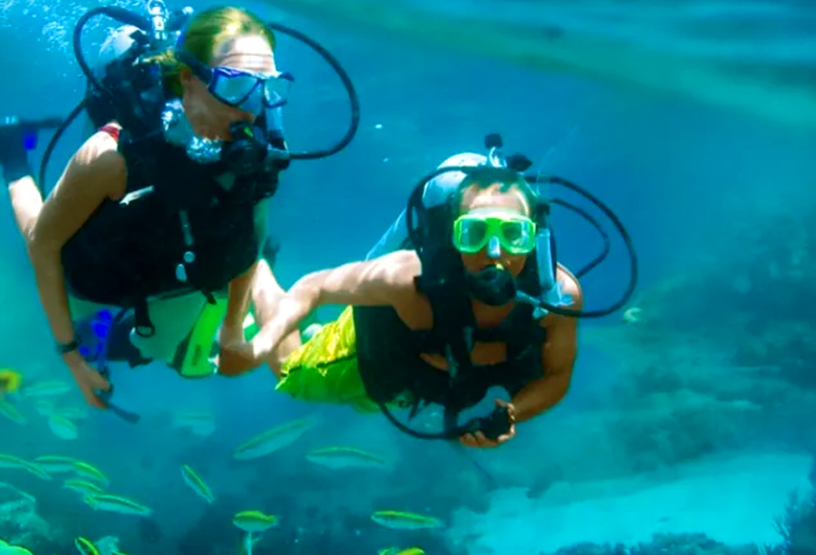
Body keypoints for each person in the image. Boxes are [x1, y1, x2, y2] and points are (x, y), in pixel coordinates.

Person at [0, 3, 301, 411]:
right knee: (38, 234)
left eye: (269, 87)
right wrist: (71, 356)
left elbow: (251, 240)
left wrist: (233, 330)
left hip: (163, 264)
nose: (254, 109)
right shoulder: (110, 155)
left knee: (158, 351)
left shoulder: (259, 154)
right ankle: (10, 151)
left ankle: (114, 331)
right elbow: (44, 247)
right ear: (188, 79)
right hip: (100, 262)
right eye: (238, 87)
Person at [235, 142, 608, 449]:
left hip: (418, 380)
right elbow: (314, 287)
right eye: (474, 233)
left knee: (368, 403)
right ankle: (255, 266)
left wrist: (512, 414)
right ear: (452, 235)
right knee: (292, 374)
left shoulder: (557, 297)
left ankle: (312, 327)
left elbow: (558, 374)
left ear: (534, 236)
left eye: (513, 234)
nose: (494, 252)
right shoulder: (406, 278)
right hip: (374, 351)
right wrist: (262, 343)